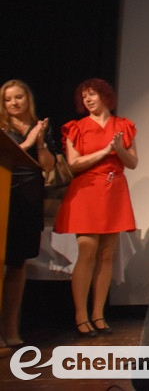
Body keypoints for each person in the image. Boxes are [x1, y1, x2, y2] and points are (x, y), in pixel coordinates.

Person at [54, 78, 138, 337]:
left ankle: (98, 314)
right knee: (87, 250)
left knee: (107, 254)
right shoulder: (76, 128)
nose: (88, 100)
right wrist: (104, 152)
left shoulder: (123, 126)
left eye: (93, 95)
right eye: (84, 96)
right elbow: (74, 164)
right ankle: (81, 315)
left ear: (105, 97)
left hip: (114, 190)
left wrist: (117, 149)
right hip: (87, 191)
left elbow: (132, 162)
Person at [1, 80, 56, 347]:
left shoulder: (40, 126)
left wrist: (40, 142)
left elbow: (48, 167)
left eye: (18, 97)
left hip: (29, 199)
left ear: (27, 99)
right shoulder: (2, 129)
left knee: (18, 263)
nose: (14, 103)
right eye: (8, 99)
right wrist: (28, 143)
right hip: (4, 197)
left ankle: (11, 330)